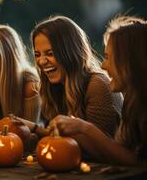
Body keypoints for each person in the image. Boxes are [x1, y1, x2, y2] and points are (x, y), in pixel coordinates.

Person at [53, 16, 147, 179]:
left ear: (133, 60)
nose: (103, 65)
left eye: (108, 57)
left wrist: (86, 129)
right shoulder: (136, 97)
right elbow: (127, 155)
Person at [18, 15, 122, 143]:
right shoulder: (54, 87)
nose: (41, 61)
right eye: (37, 54)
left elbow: (100, 147)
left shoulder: (98, 84)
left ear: (70, 52)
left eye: (50, 53)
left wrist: (36, 129)